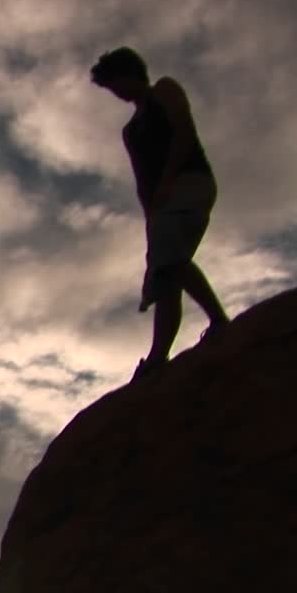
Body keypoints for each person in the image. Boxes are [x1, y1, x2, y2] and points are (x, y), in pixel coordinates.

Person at [90, 47, 231, 382]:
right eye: (111, 89)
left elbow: (184, 132)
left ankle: (219, 321)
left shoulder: (165, 91)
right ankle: (158, 356)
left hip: (190, 182)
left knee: (172, 259)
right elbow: (141, 178)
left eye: (116, 83)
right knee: (164, 275)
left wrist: (168, 180)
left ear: (131, 73)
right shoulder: (130, 131)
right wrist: (149, 215)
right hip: (161, 202)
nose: (117, 93)